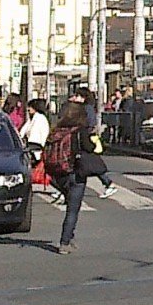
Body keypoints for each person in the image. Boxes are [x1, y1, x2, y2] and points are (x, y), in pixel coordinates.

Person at [41, 96, 103, 253]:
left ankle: (70, 236)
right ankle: (64, 242)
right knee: (72, 210)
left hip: (56, 174)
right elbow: (89, 148)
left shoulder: (55, 131)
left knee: (70, 204)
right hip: (75, 172)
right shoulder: (79, 132)